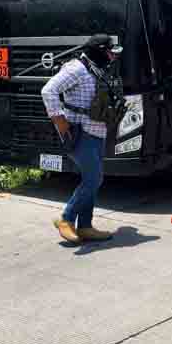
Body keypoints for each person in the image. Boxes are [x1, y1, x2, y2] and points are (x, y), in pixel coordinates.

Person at [42, 33, 122, 244]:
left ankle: (85, 227)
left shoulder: (97, 68)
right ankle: (65, 218)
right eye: (108, 53)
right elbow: (48, 90)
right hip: (80, 132)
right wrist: (59, 120)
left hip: (97, 132)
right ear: (98, 51)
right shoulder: (76, 68)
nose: (112, 57)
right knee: (94, 179)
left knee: (92, 180)